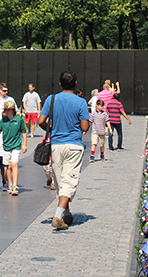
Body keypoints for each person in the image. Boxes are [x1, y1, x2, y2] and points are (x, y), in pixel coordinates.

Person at [38, 71, 90, 231]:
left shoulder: (51, 99)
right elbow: (85, 127)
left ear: (60, 84)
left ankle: (66, 213)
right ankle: (58, 215)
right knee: (69, 180)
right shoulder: (80, 102)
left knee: (60, 179)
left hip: (56, 145)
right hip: (73, 145)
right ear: (75, 83)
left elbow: (40, 121)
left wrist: (51, 130)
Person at [0, 100, 27, 195]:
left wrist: (24, 145)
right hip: (6, 146)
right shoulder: (3, 121)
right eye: (5, 109)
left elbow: (24, 132)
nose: (7, 111)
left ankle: (15, 185)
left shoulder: (19, 120)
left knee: (14, 164)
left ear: (13, 110)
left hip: (16, 146)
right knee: (8, 167)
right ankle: (9, 184)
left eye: (9, 109)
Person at [0, 83, 16, 189]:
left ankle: (8, 180)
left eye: (7, 90)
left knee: (6, 150)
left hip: (8, 125)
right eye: (4, 90)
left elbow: (16, 113)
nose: (6, 92)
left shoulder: (11, 100)